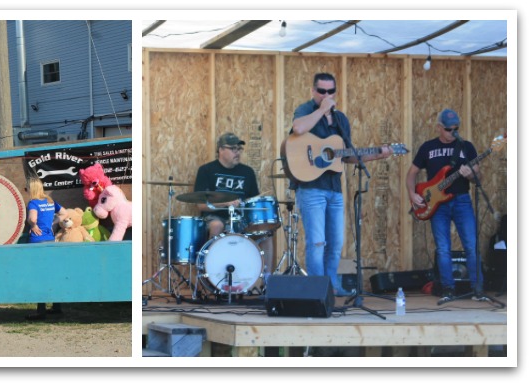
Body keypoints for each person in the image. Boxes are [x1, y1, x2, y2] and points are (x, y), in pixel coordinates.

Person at [290, 72, 392, 296]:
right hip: (310, 187)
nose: (326, 95)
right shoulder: (306, 110)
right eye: (321, 91)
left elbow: (346, 156)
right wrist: (321, 110)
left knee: (335, 243)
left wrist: (378, 155)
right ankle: (317, 289)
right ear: (313, 91)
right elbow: (298, 129)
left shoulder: (341, 120)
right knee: (317, 242)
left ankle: (332, 286)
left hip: (334, 189)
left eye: (330, 92)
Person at [406, 108, 484, 302]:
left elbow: (479, 178)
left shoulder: (466, 147)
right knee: (442, 248)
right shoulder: (427, 147)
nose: (453, 132)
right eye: (449, 129)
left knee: (471, 245)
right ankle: (448, 288)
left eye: (456, 128)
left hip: (461, 200)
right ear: (439, 127)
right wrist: (412, 194)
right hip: (437, 204)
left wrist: (471, 175)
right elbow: (411, 173)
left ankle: (477, 289)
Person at [193, 132, 274, 283]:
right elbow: (201, 205)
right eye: (233, 149)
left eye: (239, 149)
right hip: (216, 216)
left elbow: (252, 201)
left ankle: (267, 280)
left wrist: (247, 205)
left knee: (266, 233)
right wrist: (225, 204)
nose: (237, 152)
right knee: (217, 225)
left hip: (241, 218)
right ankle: (211, 276)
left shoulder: (247, 172)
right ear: (221, 150)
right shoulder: (206, 171)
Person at [24, 177, 67, 320]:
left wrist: (33, 225)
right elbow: (64, 213)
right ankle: (57, 306)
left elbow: (32, 218)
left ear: (32, 189)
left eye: (27, 188)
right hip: (50, 240)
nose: (26, 191)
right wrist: (53, 223)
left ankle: (40, 310)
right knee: (51, 273)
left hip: (37, 241)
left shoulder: (33, 203)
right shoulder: (50, 201)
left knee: (39, 275)